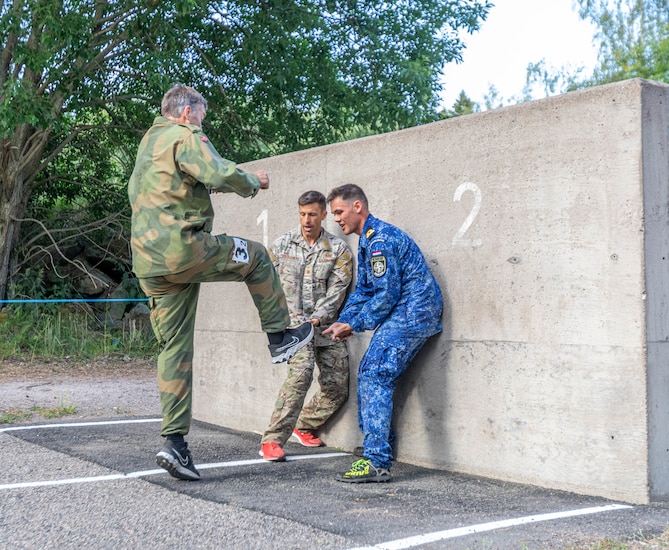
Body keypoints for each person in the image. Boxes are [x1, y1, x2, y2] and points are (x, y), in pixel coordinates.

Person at [128, 85, 313, 481]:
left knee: (174, 348)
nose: (202, 121)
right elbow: (215, 169)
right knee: (258, 256)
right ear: (187, 111)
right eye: (201, 114)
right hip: (184, 250)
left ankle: (174, 444)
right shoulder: (184, 135)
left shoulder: (150, 145)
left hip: (149, 264)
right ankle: (280, 337)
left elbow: (176, 186)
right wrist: (252, 181)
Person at [323, 184, 443, 483]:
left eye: (339, 211)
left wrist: (356, 324)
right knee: (370, 371)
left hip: (413, 312)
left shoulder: (380, 240)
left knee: (375, 373)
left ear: (358, 207)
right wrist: (344, 320)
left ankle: (377, 460)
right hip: (404, 311)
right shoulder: (367, 241)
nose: (336, 219)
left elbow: (387, 293)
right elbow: (365, 289)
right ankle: (378, 448)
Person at [259, 190, 353, 461]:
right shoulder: (281, 245)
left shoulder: (338, 250)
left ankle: (305, 424)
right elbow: (263, 281)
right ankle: (272, 440)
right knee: (301, 374)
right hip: (293, 331)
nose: (307, 220)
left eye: (312, 214)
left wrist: (318, 318)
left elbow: (337, 292)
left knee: (337, 387)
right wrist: (274, 319)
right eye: (302, 214)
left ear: (324, 215)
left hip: (324, 327)